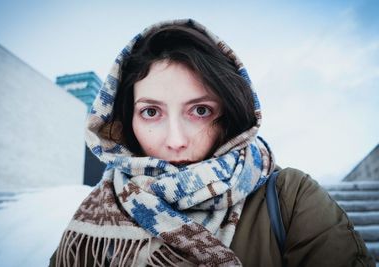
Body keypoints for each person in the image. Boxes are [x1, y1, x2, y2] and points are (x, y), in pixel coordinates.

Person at [49, 19, 374, 267]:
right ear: (125, 122)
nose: (175, 140)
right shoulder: (102, 206)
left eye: (200, 110)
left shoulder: (291, 198)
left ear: (231, 114)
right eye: (151, 111)